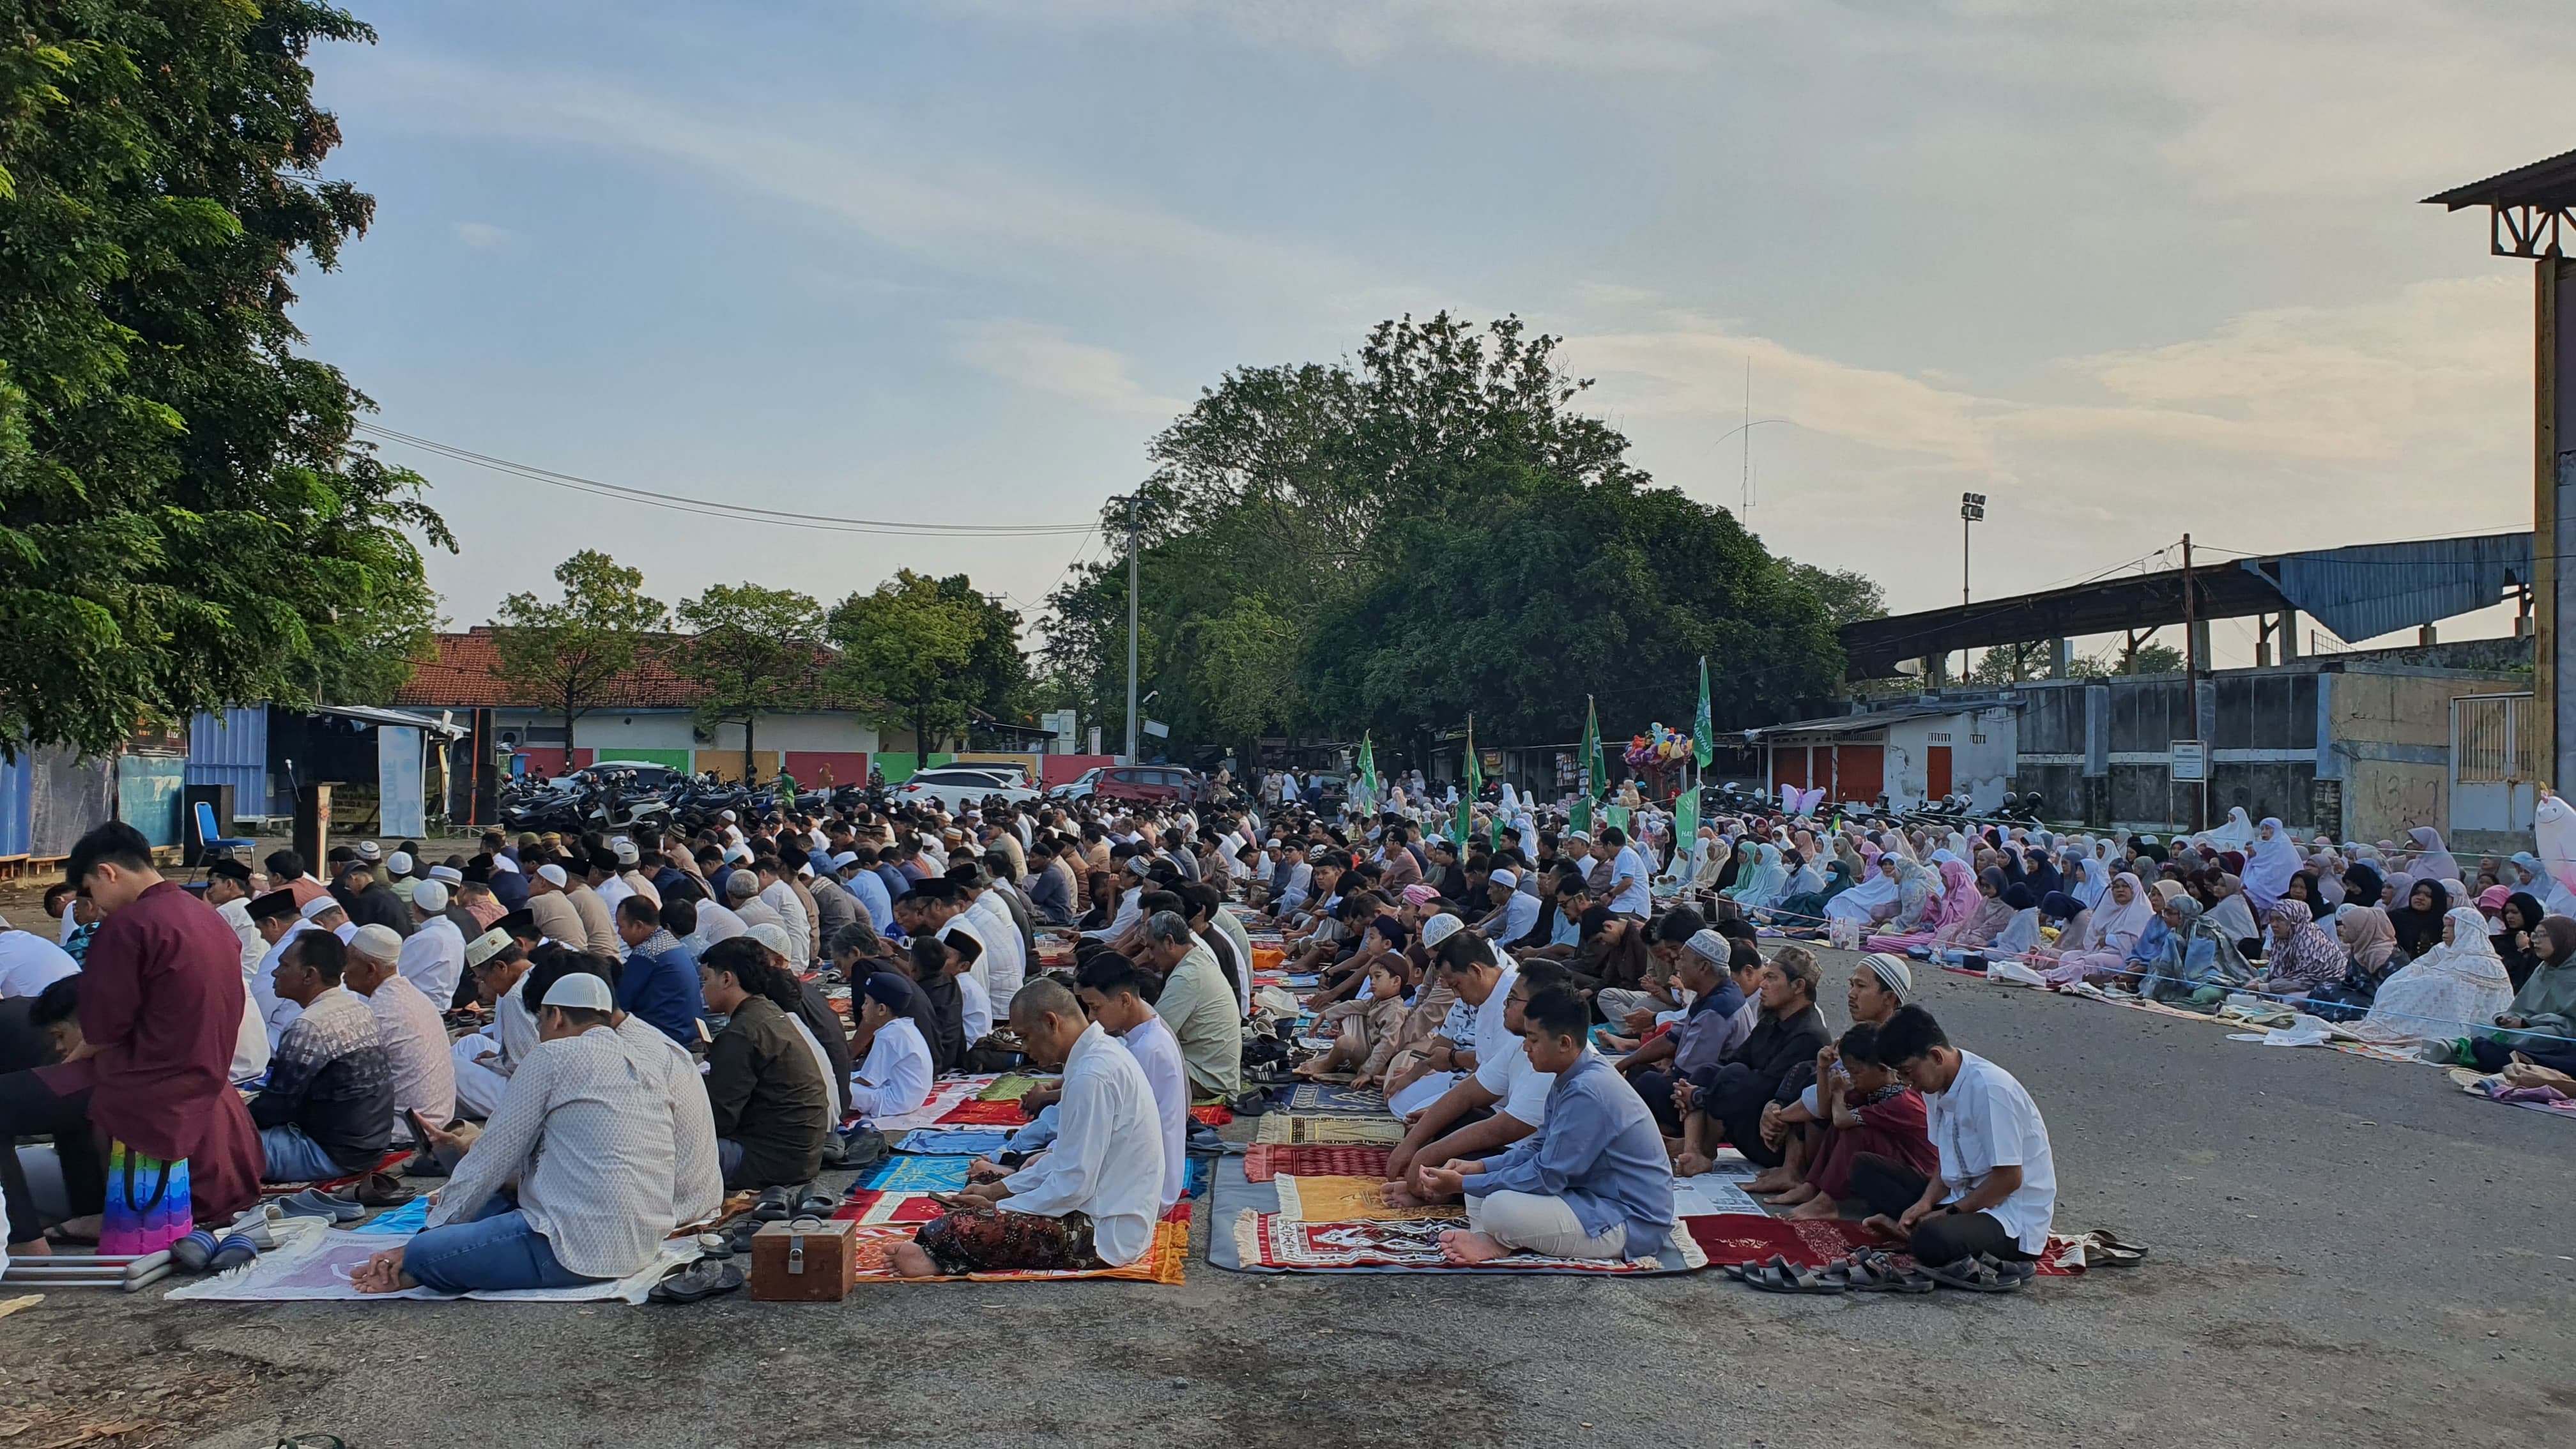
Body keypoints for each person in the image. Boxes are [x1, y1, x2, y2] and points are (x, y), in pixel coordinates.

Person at [353, 970, 723, 1294]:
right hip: (643, 1241)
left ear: (556, 1016)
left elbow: (489, 1160)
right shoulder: (646, 1057)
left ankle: (409, 1269)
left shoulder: (552, 1057)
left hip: (574, 1249)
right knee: (490, 1204)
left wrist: (427, 1237)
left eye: (540, 1021)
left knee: (425, 1255)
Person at [1, 825, 266, 1253]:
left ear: (108, 873)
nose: (95, 906)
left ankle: (23, 1240)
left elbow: (105, 1029)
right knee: (63, 1103)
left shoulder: (129, 926)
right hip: (201, 1074)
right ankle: (95, 1211)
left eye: (89, 891)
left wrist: (73, 1059)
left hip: (144, 1079)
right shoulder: (204, 915)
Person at [890, 979, 1164, 1276]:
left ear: (1051, 1023)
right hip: (1101, 1205)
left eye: (1026, 1037)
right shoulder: (1096, 1058)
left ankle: (935, 1260)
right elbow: (1064, 1157)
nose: (1025, 1049)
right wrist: (997, 1190)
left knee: (961, 1226)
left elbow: (1073, 1184)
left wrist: (999, 1209)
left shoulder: (1093, 1074)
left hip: (1104, 1232)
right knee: (989, 1183)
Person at [1415, 985, 1673, 1265]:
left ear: (1564, 1043)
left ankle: (1495, 1236)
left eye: (1534, 1040)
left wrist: (1464, 1182)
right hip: (1591, 1197)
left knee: (1497, 1206)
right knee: (1484, 1181)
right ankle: (1488, 1239)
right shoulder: (1568, 1077)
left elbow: (1548, 1175)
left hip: (1627, 1219)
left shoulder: (1588, 1089)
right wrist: (1479, 1169)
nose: (1526, 1047)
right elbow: (1539, 1148)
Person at [1854, 1004, 2058, 1272]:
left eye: (1908, 1072)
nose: (1907, 1084)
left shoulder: (1990, 1089)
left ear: (1936, 1056)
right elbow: (1945, 1159)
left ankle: (1914, 1234)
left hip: (2011, 1218)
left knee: (1933, 1238)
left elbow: (2008, 1179)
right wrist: (1925, 1203)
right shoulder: (1934, 1085)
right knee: (1864, 1168)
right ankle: (1916, 1230)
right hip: (1962, 1197)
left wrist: (1947, 1214)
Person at [250, 931, 395, 1182]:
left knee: (216, 1147)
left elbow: (276, 1108)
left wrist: (229, 1120)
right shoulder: (359, 1008)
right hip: (371, 1147)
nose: (275, 973)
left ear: (309, 975)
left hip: (328, 1154)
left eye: (284, 966)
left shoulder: (308, 1025)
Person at [1759, 1022, 1936, 1221]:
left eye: (1857, 1072)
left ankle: (1827, 1202)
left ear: (1882, 1069)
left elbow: (1841, 1119)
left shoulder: (1902, 1101)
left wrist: (1838, 1092)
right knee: (1843, 1124)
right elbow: (1825, 1111)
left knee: (1856, 1130)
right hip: (1897, 1165)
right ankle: (1812, 1187)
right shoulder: (1875, 1089)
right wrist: (1823, 1069)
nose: (1852, 1078)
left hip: (1923, 1180)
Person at [1677, 945, 1829, 1170]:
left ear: (1798, 986)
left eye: (1771, 978)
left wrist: (1700, 1097)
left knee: (1732, 1077)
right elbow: (1737, 1059)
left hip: (1772, 1135)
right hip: (1743, 1111)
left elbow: (1762, 1089)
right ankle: (1695, 1151)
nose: (1762, 985)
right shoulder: (1772, 1019)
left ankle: (1700, 1146)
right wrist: (1695, 1090)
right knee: (1707, 1072)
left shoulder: (1809, 1034)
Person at [696, 937, 831, 1188]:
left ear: (726, 979)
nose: (703, 989)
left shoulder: (741, 1032)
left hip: (768, 1160)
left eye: (706, 980)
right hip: (802, 1154)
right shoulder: (767, 1011)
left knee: (666, 1148)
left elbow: (720, 1120)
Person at [1070, 952, 1189, 1209]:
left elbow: (1108, 1130)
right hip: (1151, 1176)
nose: (1091, 1017)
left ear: (1125, 1000)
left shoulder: (1148, 1049)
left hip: (1147, 1191)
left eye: (1096, 1007)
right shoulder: (1146, 1033)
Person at [343, 925, 456, 1137]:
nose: (342, 969)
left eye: (348, 962)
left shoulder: (380, 1011)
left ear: (370, 969)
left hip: (406, 1130)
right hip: (438, 1119)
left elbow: (352, 1084)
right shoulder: (412, 995)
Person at [1135, 910, 1241, 1101]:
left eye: (1152, 947)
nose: (1150, 956)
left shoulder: (1187, 976)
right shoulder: (1195, 960)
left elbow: (1152, 1037)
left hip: (1206, 1080)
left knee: (1122, 1073)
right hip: (1210, 1070)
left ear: (1169, 942)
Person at [612, 894, 705, 1048]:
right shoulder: (671, 943)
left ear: (638, 926)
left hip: (666, 1035)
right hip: (688, 1031)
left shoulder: (647, 952)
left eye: (621, 927)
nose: (619, 933)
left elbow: (622, 1003)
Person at [847, 972, 935, 1123]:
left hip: (896, 1101)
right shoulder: (904, 1027)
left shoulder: (888, 1035)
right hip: (911, 1096)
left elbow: (868, 1081)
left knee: (835, 1088)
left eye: (867, 1003)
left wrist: (840, 1080)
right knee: (844, 1078)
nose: (862, 1007)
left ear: (881, 1009)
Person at [398, 879, 468, 1008]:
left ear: (414, 907)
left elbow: (395, 977)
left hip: (420, 1009)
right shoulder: (453, 929)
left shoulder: (421, 940)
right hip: (443, 1005)